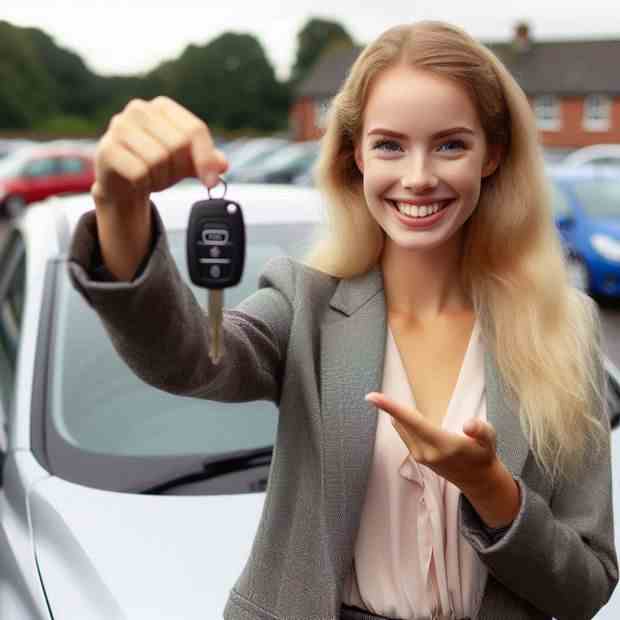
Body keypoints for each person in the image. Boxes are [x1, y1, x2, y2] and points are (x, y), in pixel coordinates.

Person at [67, 20, 617, 620]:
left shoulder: (567, 327)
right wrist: (119, 210)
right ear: (355, 155)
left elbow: (587, 586)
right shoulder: (304, 304)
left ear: (493, 155)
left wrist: (491, 490)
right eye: (390, 145)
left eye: (451, 144)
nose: (418, 176)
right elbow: (188, 362)